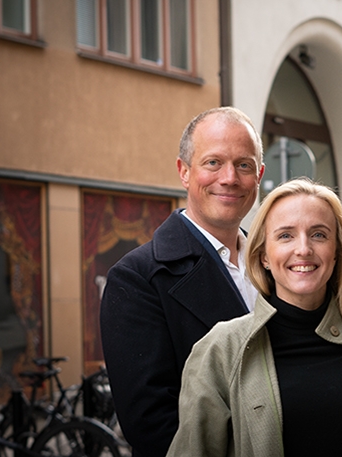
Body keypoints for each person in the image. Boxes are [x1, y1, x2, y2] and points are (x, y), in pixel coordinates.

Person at [167, 178, 342, 456]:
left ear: (337, 253)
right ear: (263, 255)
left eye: (319, 234)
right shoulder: (221, 351)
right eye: (285, 235)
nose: (303, 249)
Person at [100, 107, 265, 457]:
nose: (230, 178)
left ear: (260, 175)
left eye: (244, 165)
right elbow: (152, 426)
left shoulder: (277, 266)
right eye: (213, 163)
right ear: (184, 172)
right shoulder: (137, 279)